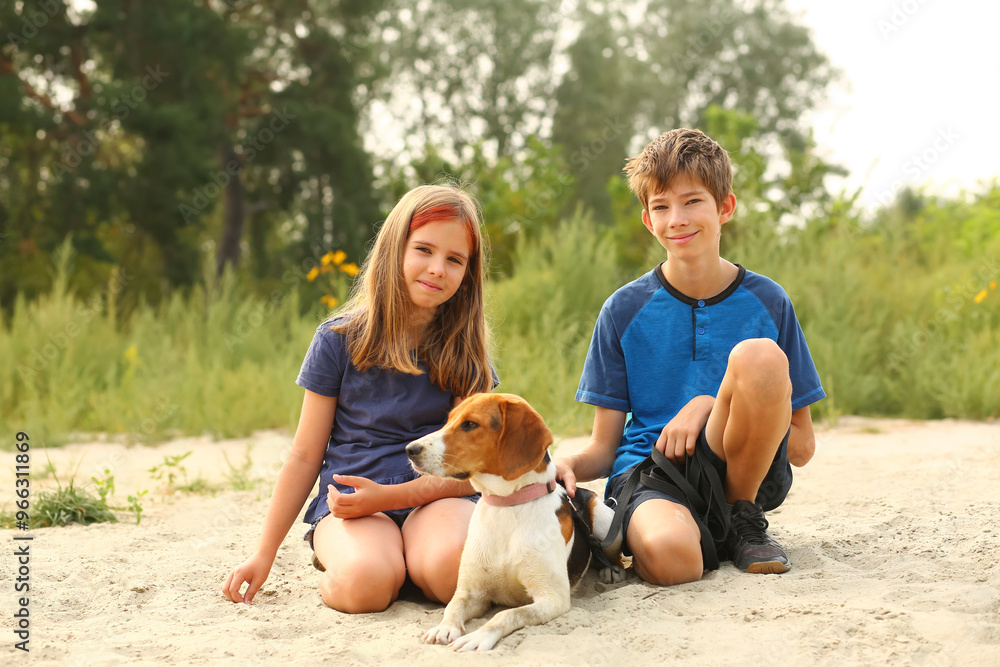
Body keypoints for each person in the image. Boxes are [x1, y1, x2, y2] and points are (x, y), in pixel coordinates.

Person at [556, 128, 825, 585]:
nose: (676, 218)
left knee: (758, 356)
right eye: (661, 207)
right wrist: (566, 466)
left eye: (692, 201)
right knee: (673, 561)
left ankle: (741, 521)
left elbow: (800, 448)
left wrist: (708, 406)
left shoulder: (769, 301)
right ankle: (686, 533)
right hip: (653, 473)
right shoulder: (622, 310)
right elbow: (604, 449)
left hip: (741, 475)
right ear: (647, 220)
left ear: (725, 208)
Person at [223, 184, 496, 613]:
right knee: (364, 587)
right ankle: (369, 561)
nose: (437, 268)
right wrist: (265, 553)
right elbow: (303, 456)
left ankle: (408, 562)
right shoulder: (337, 340)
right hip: (352, 505)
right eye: (424, 249)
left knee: (452, 575)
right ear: (394, 249)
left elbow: (471, 468)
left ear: (468, 274)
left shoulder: (466, 352)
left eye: (454, 259)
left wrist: (391, 498)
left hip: (438, 498)